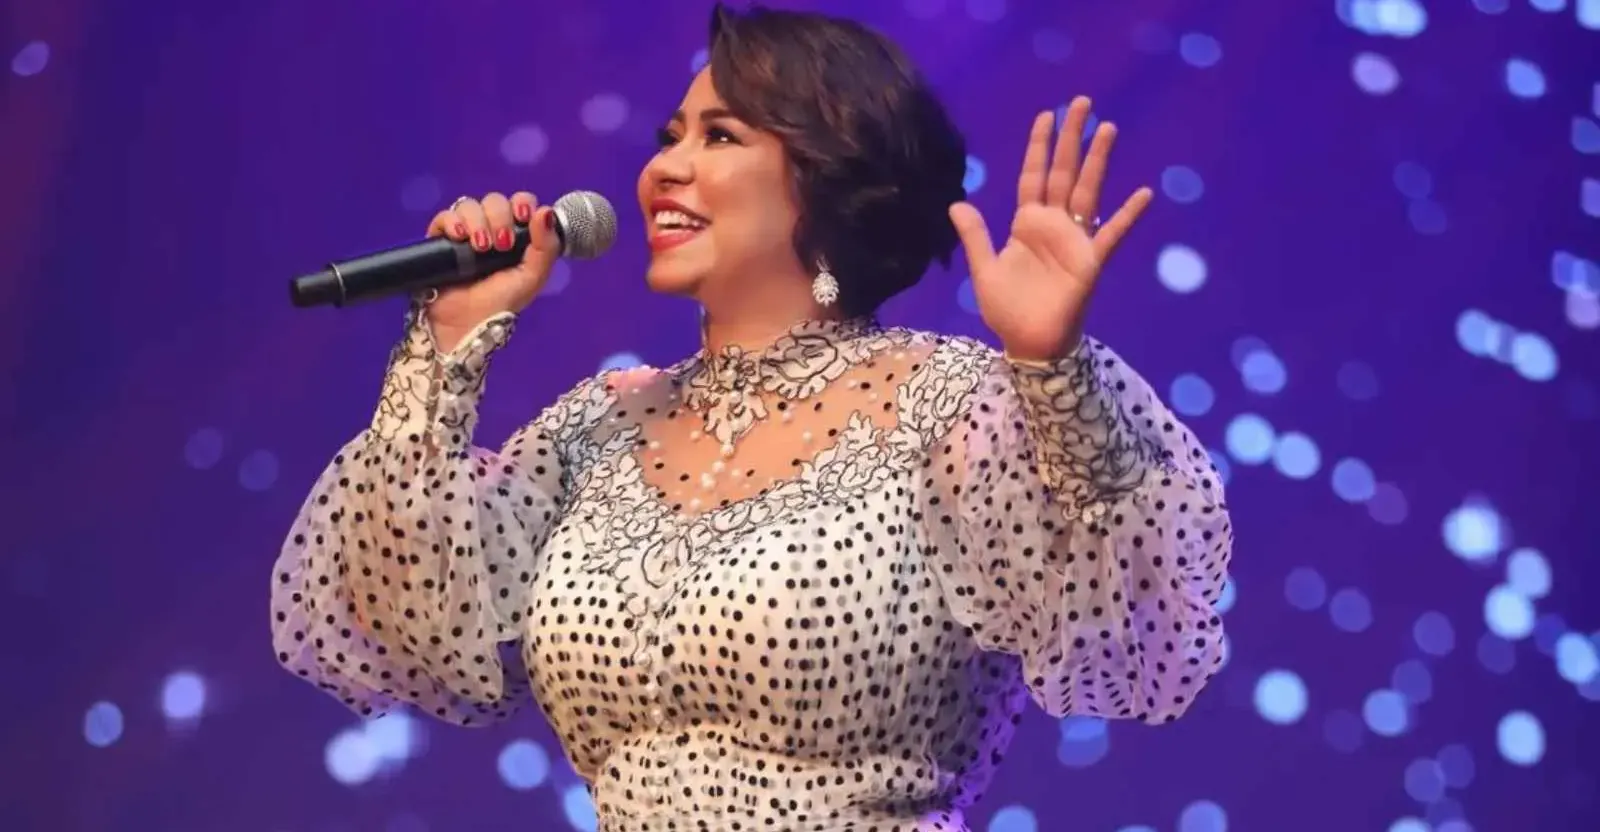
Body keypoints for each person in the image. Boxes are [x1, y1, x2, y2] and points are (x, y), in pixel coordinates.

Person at [270, 4, 1232, 829]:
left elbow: (1138, 628)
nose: (665, 169)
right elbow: (403, 622)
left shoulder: (953, 406)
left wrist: (1051, 371)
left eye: (719, 137)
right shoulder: (596, 428)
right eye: (669, 138)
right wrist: (447, 350)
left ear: (828, 170)